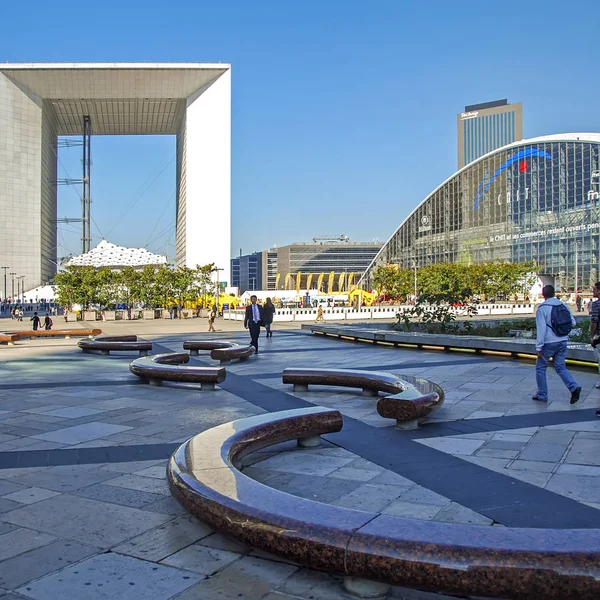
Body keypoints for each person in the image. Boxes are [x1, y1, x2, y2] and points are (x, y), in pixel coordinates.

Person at [533, 284, 581, 404]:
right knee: (560, 367)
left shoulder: (542, 308)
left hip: (549, 343)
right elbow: (573, 323)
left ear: (543, 294)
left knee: (540, 368)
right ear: (554, 293)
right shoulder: (563, 305)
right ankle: (573, 387)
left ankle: (542, 395)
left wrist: (539, 347)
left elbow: (541, 330)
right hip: (562, 340)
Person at [589, 283, 600, 390]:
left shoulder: (596, 304)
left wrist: (592, 335)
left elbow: (594, 321)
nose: (593, 292)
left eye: (595, 289)